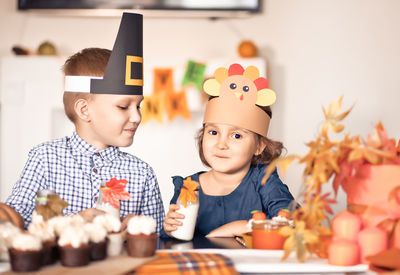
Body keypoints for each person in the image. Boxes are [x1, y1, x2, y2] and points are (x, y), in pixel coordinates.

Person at [6, 13, 165, 232]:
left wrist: (140, 230)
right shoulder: (46, 160)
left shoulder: (142, 173)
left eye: (138, 106)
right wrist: (74, 222)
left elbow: (157, 240)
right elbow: (13, 222)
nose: (137, 117)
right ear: (84, 109)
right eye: (123, 106)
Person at [163, 63, 296, 237]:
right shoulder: (189, 186)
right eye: (213, 132)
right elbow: (174, 240)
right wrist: (170, 228)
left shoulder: (264, 181)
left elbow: (289, 222)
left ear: (259, 146)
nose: (221, 144)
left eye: (236, 136)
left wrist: (236, 228)